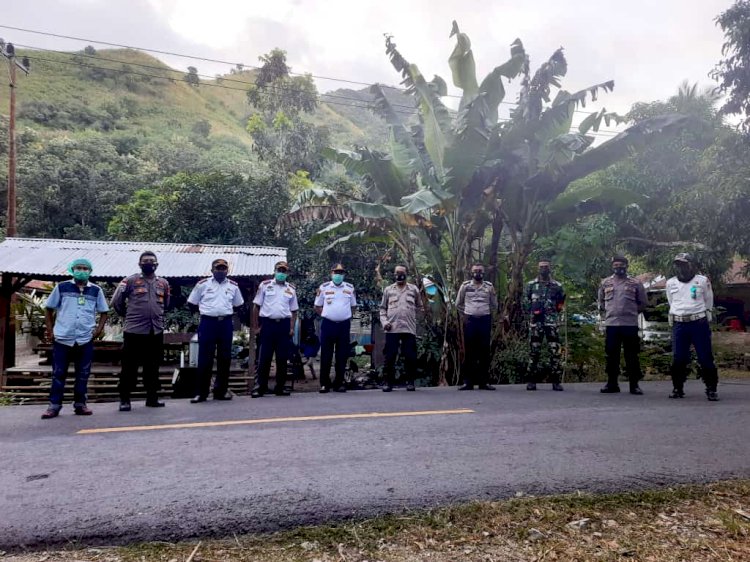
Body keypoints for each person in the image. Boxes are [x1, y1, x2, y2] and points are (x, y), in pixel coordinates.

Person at [41, 258, 109, 419]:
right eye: (78, 268)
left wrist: (98, 330)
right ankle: (54, 406)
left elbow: (104, 311)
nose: (82, 271)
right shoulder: (62, 287)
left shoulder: (96, 290)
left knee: (83, 373)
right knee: (58, 373)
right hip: (62, 338)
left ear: (90, 271)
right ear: (72, 269)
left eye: (85, 268)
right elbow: (49, 309)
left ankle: (80, 404)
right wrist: (50, 331)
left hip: (85, 338)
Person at [111, 251, 171, 411]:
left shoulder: (163, 283)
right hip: (134, 332)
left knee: (152, 367)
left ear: (157, 264)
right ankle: (125, 400)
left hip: (155, 331)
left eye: (152, 261)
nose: (149, 263)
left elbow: (166, 303)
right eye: (145, 261)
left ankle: (152, 398)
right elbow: (116, 302)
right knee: (129, 367)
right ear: (139, 264)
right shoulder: (130, 280)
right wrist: (128, 315)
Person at [187, 258, 244, 403]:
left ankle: (221, 391)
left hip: (225, 323)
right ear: (212, 270)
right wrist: (205, 312)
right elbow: (192, 303)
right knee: (205, 358)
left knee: (225, 358)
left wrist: (225, 312)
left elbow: (238, 304)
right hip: (208, 323)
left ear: (227, 270)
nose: (221, 271)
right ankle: (201, 393)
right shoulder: (202, 284)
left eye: (223, 268)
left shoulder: (233, 286)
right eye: (218, 268)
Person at [666, 253, 719, 401]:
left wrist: (705, 316)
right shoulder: (670, 283)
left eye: (684, 264)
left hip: (698, 323)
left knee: (705, 357)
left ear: (692, 265)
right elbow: (672, 302)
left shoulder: (702, 281)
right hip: (679, 324)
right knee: (678, 358)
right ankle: (678, 388)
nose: (681, 267)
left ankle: (711, 389)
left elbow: (709, 300)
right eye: (678, 265)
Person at [598, 255, 648, 395]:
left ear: (626, 266)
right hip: (612, 324)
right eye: (615, 265)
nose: (618, 268)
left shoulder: (635, 283)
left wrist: (630, 313)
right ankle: (612, 384)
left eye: (621, 265)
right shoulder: (605, 283)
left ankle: (634, 385)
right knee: (611, 355)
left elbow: (643, 303)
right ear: (612, 267)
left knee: (632, 355)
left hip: (629, 325)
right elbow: (602, 302)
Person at [251, 260, 298, 397]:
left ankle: (280, 387)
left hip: (283, 326)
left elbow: (294, 310)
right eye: (279, 270)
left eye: (284, 271)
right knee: (264, 357)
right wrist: (256, 327)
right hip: (267, 325)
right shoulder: (265, 285)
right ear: (275, 271)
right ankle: (260, 387)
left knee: (282, 358)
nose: (281, 273)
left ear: (287, 273)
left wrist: (291, 327)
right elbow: (256, 306)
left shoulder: (291, 289)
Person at [314, 263, 357, 393]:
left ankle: (339, 383)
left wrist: (345, 315)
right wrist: (328, 315)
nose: (338, 275)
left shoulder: (350, 288)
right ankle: (324, 384)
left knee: (342, 355)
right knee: (326, 355)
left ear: (343, 274)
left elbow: (353, 306)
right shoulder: (324, 287)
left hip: (344, 325)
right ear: (331, 273)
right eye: (336, 272)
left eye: (340, 273)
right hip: (328, 324)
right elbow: (317, 306)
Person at [379, 265, 422, 392]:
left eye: (402, 272)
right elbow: (382, 308)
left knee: (410, 356)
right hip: (392, 328)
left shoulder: (413, 289)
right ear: (394, 274)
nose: (399, 275)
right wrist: (385, 322)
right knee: (390, 356)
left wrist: (413, 320)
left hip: (408, 329)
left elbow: (419, 307)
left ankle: (410, 382)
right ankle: (387, 382)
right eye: (397, 272)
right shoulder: (388, 290)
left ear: (406, 274)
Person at [525, 259, 565, 391]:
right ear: (538, 268)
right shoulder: (531, 285)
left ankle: (556, 381)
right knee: (534, 351)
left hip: (551, 323)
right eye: (541, 267)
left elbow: (560, 303)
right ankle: (531, 381)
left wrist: (552, 313)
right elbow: (525, 303)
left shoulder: (557, 286)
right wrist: (533, 310)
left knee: (555, 352)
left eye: (546, 267)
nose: (544, 269)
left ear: (550, 268)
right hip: (536, 323)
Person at [455, 263, 497, 391]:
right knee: (469, 352)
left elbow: (494, 304)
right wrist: (469, 312)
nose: (477, 273)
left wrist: (483, 311)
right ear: (471, 272)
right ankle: (468, 382)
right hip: (470, 321)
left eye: (480, 271)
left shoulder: (489, 287)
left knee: (484, 351)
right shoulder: (465, 286)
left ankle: (483, 382)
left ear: (483, 273)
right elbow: (458, 304)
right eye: (475, 271)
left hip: (485, 320)